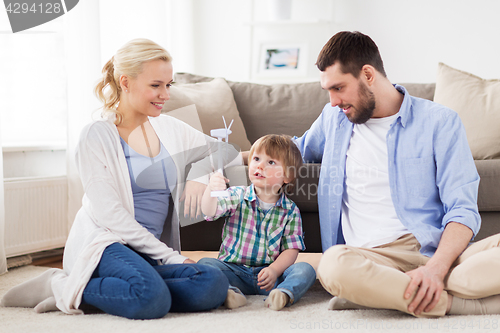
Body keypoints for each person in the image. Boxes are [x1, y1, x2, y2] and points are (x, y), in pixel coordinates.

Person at [1, 38, 241, 319]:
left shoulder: (170, 127)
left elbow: (227, 152)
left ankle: (97, 290)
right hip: (107, 244)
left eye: (169, 85)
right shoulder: (96, 135)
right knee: (151, 299)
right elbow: (110, 215)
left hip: (148, 251)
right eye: (156, 85)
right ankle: (61, 285)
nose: (165, 94)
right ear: (125, 82)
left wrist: (199, 176)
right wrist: (171, 257)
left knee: (212, 283)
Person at [292, 31, 500, 317]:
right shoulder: (334, 119)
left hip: (430, 248)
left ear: (367, 74)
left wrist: (435, 269)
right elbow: (291, 152)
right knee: (332, 265)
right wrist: (231, 157)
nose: (332, 101)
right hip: (367, 259)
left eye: (338, 88)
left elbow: (462, 210)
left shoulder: (440, 122)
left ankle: (382, 293)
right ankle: (455, 303)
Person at [198, 134, 317, 311]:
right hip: (234, 271)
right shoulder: (236, 195)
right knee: (205, 264)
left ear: (287, 176)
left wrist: (275, 270)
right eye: (256, 159)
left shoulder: (290, 210)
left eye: (271, 162)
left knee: (306, 270)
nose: (260, 165)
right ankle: (230, 293)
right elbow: (209, 211)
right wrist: (211, 189)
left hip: (270, 276)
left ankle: (282, 294)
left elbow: (291, 250)